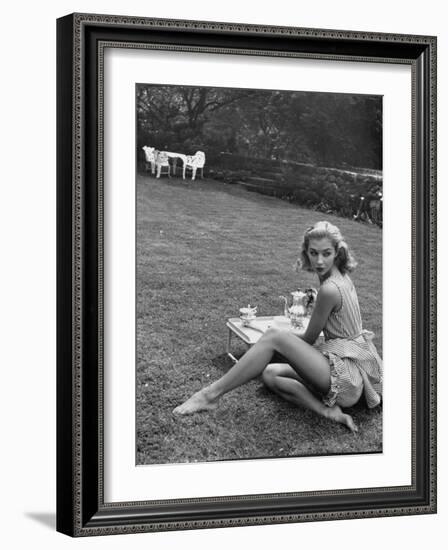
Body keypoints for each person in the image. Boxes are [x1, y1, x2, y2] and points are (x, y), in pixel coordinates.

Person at [173, 221, 383, 432]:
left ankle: (209, 395)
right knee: (270, 373)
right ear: (306, 252)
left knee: (274, 337)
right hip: (348, 367)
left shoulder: (330, 289)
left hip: (346, 376)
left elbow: (309, 339)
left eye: (326, 253)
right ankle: (328, 411)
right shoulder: (341, 277)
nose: (319, 260)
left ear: (337, 252)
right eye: (313, 252)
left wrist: (273, 340)